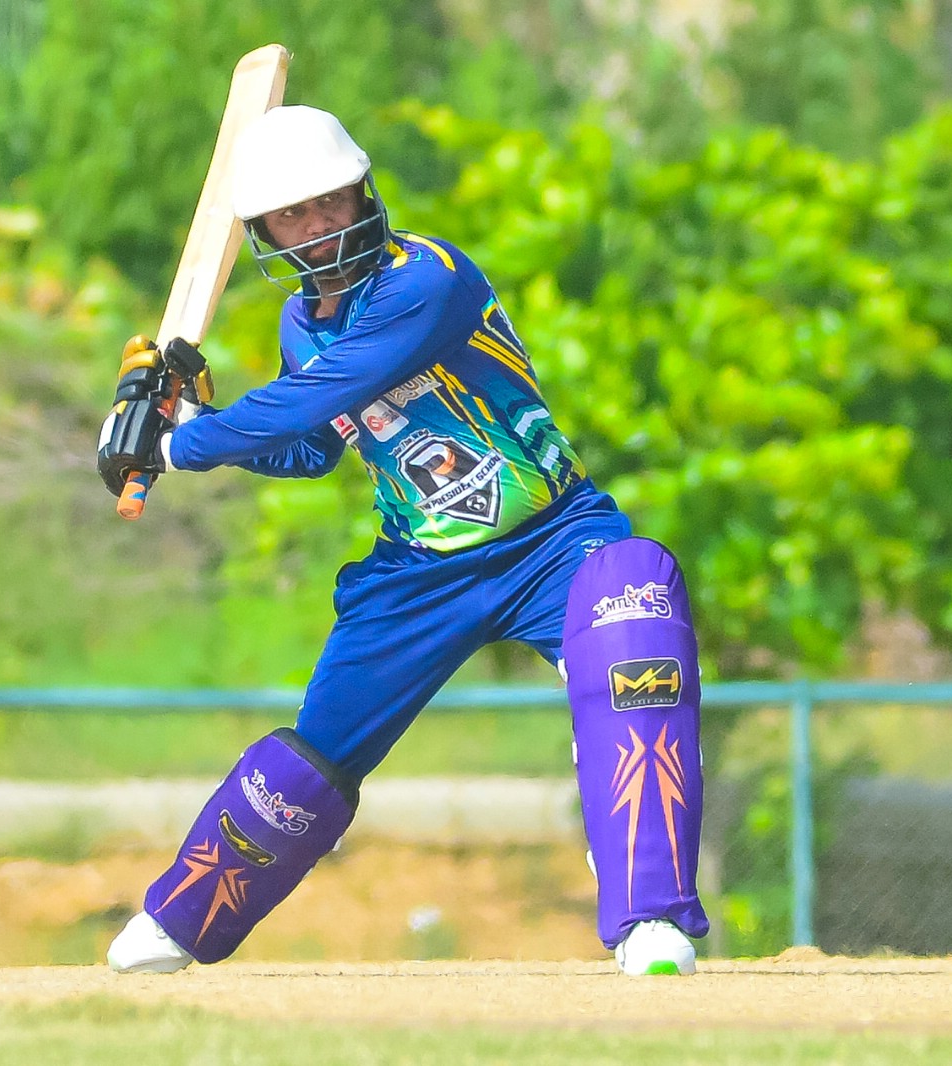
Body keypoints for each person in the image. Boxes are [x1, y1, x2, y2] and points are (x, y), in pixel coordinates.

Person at [96, 105, 709, 976]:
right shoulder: (303, 324)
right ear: (265, 232)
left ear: (363, 192)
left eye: (330, 202)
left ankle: (651, 919)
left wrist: (178, 444)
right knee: (315, 754)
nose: (318, 227)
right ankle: (183, 920)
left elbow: (316, 396)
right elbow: (311, 445)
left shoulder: (429, 279)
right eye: (293, 215)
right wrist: (193, 417)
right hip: (418, 572)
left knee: (634, 625)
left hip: (550, 537)